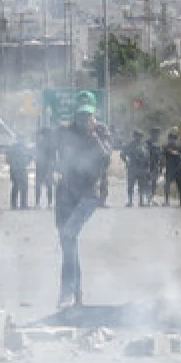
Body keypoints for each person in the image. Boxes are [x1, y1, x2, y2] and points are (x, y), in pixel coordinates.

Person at [55, 105, 109, 309]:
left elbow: (105, 158)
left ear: (94, 117)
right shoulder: (65, 133)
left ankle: (68, 291)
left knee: (69, 234)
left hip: (88, 194)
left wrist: (93, 135)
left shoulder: (101, 134)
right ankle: (76, 294)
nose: (83, 119)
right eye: (80, 115)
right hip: (66, 193)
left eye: (87, 116)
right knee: (68, 243)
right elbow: (49, 150)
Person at [120, 129, 150, 207]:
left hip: (142, 168)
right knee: (130, 186)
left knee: (142, 186)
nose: (139, 138)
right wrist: (126, 161)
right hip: (132, 168)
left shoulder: (144, 146)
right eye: (137, 136)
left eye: (140, 136)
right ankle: (130, 201)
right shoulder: (129, 145)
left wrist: (147, 167)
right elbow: (122, 154)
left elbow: (147, 156)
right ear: (134, 136)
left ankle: (141, 201)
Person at [6, 138, 32, 209]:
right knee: (23, 187)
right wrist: (25, 162)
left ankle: (14, 205)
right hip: (21, 170)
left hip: (14, 170)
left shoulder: (12, 148)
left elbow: (7, 160)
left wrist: (13, 164)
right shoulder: (24, 149)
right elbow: (29, 158)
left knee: (16, 187)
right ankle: (23, 205)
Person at [34, 127, 56, 208]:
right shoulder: (51, 144)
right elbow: (53, 158)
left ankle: (38, 203)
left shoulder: (40, 143)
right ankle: (48, 203)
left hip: (41, 167)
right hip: (46, 168)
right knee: (48, 186)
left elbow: (37, 155)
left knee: (39, 185)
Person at [162, 132, 181, 206]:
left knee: (169, 184)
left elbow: (163, 155)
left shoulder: (167, 145)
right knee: (179, 185)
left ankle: (168, 201)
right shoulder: (178, 145)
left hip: (172, 168)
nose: (172, 140)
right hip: (175, 168)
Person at [94, 124, 113, 207]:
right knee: (95, 185)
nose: (105, 137)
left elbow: (108, 154)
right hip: (94, 168)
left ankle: (102, 202)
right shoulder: (94, 142)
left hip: (103, 168)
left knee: (104, 185)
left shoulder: (105, 143)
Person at [146, 127, 163, 206]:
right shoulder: (147, 143)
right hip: (148, 166)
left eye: (157, 134)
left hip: (155, 167)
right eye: (155, 134)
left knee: (154, 183)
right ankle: (147, 199)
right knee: (148, 183)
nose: (156, 136)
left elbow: (160, 157)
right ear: (151, 134)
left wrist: (160, 168)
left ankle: (151, 198)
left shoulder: (158, 145)